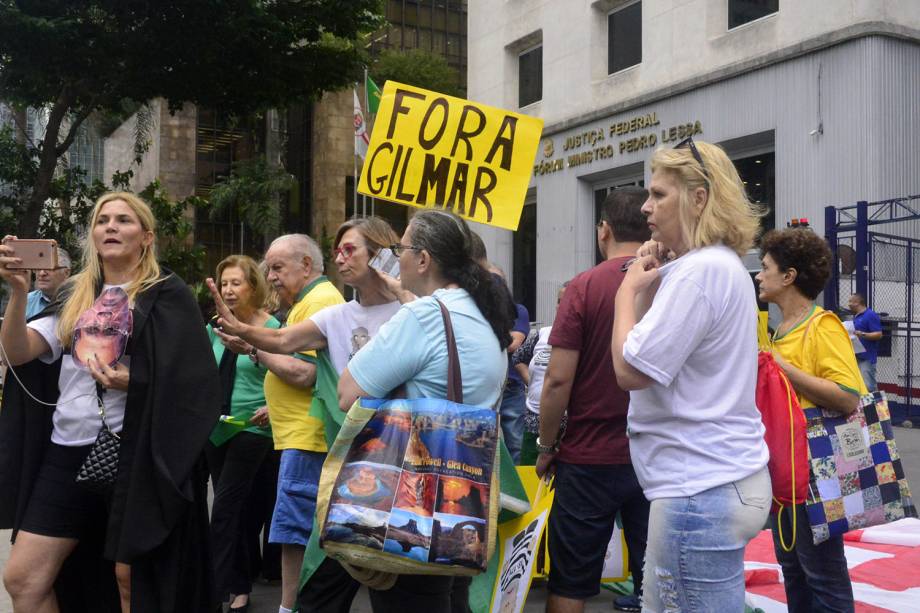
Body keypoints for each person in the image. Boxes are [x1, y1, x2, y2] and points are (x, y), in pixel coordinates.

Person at [0, 191, 221, 613]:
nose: (111, 227)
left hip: (135, 456)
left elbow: (195, 383)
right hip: (66, 449)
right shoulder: (76, 294)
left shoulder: (166, 295)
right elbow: (19, 350)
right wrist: (15, 293)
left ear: (147, 237)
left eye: (123, 220)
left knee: (131, 580)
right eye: (103, 220)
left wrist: (135, 381)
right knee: (24, 578)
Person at [209, 216, 406, 612]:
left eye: (350, 249)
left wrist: (402, 289)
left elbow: (303, 372)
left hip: (402, 459)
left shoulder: (410, 312)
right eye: (338, 250)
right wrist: (242, 330)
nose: (340, 257)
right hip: (349, 459)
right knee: (335, 560)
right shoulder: (337, 315)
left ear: (381, 256)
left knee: (398, 577)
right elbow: (282, 339)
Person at [610, 138, 771, 612]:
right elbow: (652, 354)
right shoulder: (717, 267)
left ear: (699, 198)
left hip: (699, 489)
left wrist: (626, 288)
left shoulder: (699, 272)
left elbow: (629, 368)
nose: (646, 207)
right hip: (713, 482)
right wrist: (648, 285)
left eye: (660, 194)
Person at [336, 210, 517, 613]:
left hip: (413, 500)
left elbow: (348, 391)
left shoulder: (424, 317)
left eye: (401, 247)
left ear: (423, 260)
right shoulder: (483, 314)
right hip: (461, 504)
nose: (395, 256)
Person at [212, 233, 343, 613]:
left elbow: (304, 373)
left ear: (306, 265)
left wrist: (252, 348)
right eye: (268, 268)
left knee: (297, 532)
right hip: (296, 435)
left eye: (277, 267)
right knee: (292, 530)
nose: (270, 276)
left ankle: (291, 607)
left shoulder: (319, 301)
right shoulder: (309, 301)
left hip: (307, 437)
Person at [536, 187, 651, 613]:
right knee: (658, 579)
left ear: (604, 230)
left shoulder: (584, 287)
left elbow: (556, 381)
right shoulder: (672, 280)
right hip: (656, 455)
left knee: (571, 582)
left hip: (587, 458)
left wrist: (547, 447)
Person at [756, 228, 864, 612]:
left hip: (816, 471)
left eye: (765, 267)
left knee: (822, 573)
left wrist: (783, 368)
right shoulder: (779, 330)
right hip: (785, 470)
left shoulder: (823, 326)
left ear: (788, 276)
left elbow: (847, 395)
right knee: (794, 567)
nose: (758, 274)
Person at [206, 255, 281, 612]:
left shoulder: (273, 327)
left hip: (254, 429)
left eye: (236, 283)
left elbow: (289, 372)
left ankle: (226, 587)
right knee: (233, 508)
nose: (229, 290)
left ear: (254, 286)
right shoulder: (214, 327)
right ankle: (240, 577)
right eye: (224, 284)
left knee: (224, 509)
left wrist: (272, 407)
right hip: (219, 428)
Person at [511, 282, 567, 466]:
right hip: (533, 419)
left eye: (567, 300)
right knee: (529, 478)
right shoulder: (540, 335)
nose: (562, 305)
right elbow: (518, 358)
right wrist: (531, 381)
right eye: (559, 301)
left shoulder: (584, 338)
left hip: (566, 425)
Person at [848, 292, 883, 391]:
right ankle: (876, 406)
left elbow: (879, 334)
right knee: (864, 386)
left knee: (868, 386)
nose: (848, 304)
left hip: (867, 357)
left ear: (857, 302)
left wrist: (863, 334)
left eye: (850, 301)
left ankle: (877, 407)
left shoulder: (870, 315)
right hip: (857, 356)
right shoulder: (857, 316)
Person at [25, 247, 72, 318]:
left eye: (49, 268)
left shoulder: (81, 301)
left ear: (66, 273)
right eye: (38, 267)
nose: (41, 273)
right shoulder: (26, 301)